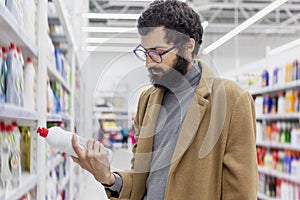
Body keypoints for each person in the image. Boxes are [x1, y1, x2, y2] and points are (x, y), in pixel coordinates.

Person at [71, 1, 258, 199]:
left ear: (188, 46)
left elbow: (241, 192)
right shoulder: (147, 100)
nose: (148, 62)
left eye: (157, 52)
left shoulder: (231, 100)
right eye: (145, 52)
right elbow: (142, 179)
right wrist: (108, 177)